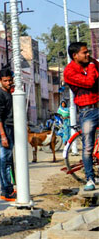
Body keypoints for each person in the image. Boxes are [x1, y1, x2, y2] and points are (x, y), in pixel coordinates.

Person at [63, 41, 99, 191]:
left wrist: (92, 64)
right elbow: (90, 82)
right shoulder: (69, 71)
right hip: (87, 111)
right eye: (85, 53)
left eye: (88, 52)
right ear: (75, 55)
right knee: (88, 147)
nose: (88, 55)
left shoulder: (92, 63)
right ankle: (89, 179)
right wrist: (91, 66)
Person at [0, 68, 16, 201]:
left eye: (9, 80)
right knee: (5, 160)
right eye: (5, 81)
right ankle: (6, 190)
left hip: (12, 128)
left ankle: (9, 188)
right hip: (5, 129)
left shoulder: (11, 93)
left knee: (8, 159)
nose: (8, 83)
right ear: (0, 80)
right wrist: (3, 135)